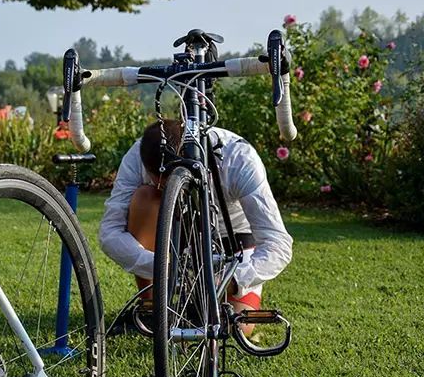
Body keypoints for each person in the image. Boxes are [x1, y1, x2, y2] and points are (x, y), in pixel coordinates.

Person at [99, 120, 292, 333]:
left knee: (239, 327)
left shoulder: (238, 157)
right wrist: (163, 268)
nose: (166, 188)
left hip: (233, 235)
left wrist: (235, 280)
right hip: (172, 232)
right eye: (159, 182)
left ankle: (196, 309)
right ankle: (153, 309)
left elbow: (278, 243)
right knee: (145, 198)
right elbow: (110, 232)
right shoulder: (136, 154)